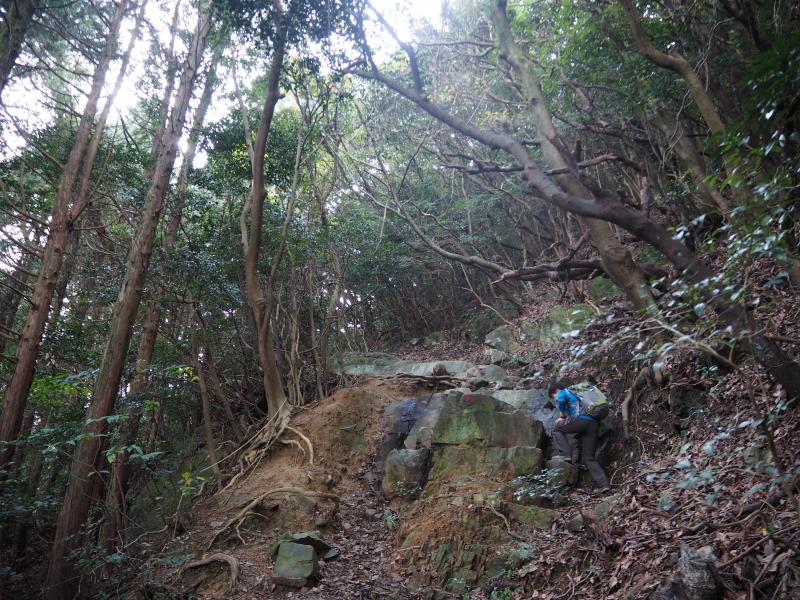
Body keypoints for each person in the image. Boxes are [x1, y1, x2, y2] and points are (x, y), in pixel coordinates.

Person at [548, 381, 610, 492]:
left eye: (554, 396)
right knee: (589, 458)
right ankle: (604, 484)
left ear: (556, 391)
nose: (555, 399)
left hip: (581, 421)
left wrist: (562, 416)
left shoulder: (563, 392)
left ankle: (566, 454)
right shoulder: (576, 394)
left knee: (556, 428)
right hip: (593, 424)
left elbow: (561, 400)